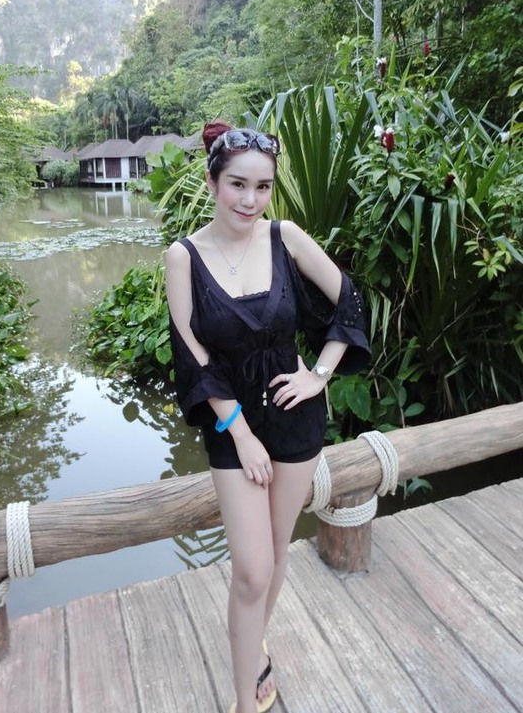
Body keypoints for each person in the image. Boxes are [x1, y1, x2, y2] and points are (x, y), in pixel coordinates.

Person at [165, 122, 370, 713]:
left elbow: (350, 300)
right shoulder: (184, 257)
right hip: (232, 426)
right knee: (252, 569)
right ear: (212, 182)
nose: (250, 200)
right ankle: (242, 697)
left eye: (262, 187)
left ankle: (253, 644)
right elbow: (193, 357)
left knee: (277, 551)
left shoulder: (286, 237)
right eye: (237, 184)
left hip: (294, 415)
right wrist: (240, 434)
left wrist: (319, 375)